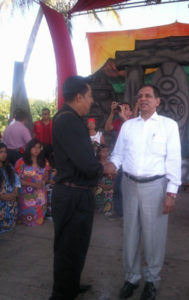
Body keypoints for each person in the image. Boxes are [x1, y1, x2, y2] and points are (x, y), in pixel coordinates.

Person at [109, 84, 181, 300]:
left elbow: (174, 160)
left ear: (158, 101)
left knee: (154, 237)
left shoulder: (169, 126)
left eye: (148, 96)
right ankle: (131, 278)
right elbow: (118, 155)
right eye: (140, 96)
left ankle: (152, 280)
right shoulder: (128, 126)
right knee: (130, 233)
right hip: (129, 185)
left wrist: (171, 192)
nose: (143, 99)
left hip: (155, 187)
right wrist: (111, 165)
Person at [49, 75, 115, 300]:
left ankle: (71, 285)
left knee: (76, 247)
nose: (91, 101)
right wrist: (103, 168)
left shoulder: (72, 119)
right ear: (78, 97)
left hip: (76, 192)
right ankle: (61, 295)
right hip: (72, 194)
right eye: (89, 97)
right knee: (68, 249)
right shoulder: (68, 120)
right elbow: (85, 163)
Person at [105, 102, 133, 218]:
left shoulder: (135, 121)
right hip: (120, 159)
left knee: (129, 190)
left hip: (130, 160)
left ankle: (128, 213)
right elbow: (107, 128)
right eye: (122, 108)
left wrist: (124, 118)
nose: (123, 110)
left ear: (131, 112)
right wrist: (112, 112)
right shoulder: (119, 122)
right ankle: (118, 212)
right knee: (117, 186)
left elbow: (133, 134)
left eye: (126, 108)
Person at [15, 138, 50, 226]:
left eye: (39, 148)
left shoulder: (44, 161)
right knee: (27, 221)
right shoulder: (21, 162)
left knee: (39, 221)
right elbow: (17, 180)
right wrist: (32, 184)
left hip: (40, 195)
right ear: (29, 148)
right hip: (26, 195)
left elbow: (46, 175)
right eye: (34, 147)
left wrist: (43, 182)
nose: (36, 150)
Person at [0, 143, 21, 233]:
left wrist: (15, 193)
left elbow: (17, 181)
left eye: (5, 152)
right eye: (1, 152)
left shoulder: (9, 167)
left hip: (11, 201)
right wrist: (2, 196)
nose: (4, 154)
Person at [95, 144, 114, 217]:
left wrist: (112, 185)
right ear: (99, 153)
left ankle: (108, 208)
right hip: (99, 185)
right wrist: (103, 185)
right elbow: (94, 178)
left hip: (110, 185)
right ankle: (100, 207)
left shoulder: (111, 163)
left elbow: (115, 176)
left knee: (111, 190)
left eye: (107, 151)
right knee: (99, 190)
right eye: (103, 151)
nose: (106, 153)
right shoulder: (96, 164)